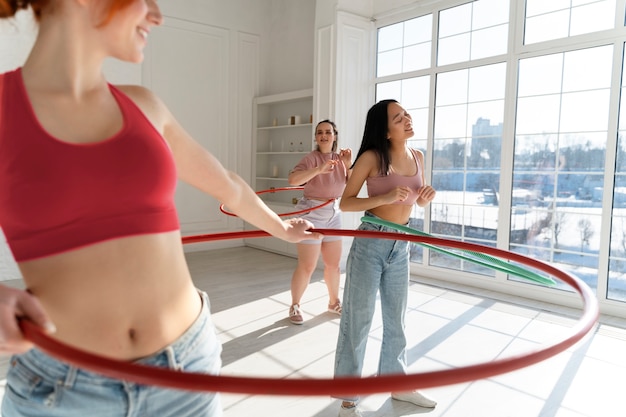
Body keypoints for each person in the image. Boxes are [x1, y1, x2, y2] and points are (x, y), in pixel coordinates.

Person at [0, 1, 321, 416]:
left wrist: (283, 228)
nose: (157, 15)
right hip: (61, 391)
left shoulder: (145, 106)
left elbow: (228, 184)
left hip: (187, 371)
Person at [333, 99, 437, 417]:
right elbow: (345, 204)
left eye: (406, 114)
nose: (407, 119)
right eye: (398, 118)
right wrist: (384, 197)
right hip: (371, 243)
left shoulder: (417, 156)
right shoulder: (371, 157)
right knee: (358, 320)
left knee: (397, 320)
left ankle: (398, 383)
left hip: (401, 244)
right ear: (386, 130)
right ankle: (349, 396)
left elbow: (413, 202)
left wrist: (424, 200)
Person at [286, 120, 351, 324]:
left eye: (328, 132)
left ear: (335, 136)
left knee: (333, 265)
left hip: (334, 214)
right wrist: (319, 170)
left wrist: (348, 166)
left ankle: (333, 302)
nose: (324, 135)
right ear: (315, 137)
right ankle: (295, 305)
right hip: (310, 214)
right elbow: (293, 180)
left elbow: (350, 186)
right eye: (320, 132)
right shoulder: (310, 159)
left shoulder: (341, 160)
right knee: (307, 265)